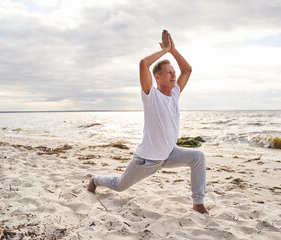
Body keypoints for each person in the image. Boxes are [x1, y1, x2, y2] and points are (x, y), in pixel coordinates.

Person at [87, 30, 209, 214]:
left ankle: (198, 204)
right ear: (157, 77)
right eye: (169, 73)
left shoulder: (175, 94)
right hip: (146, 160)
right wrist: (165, 50)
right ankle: (95, 180)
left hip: (169, 154)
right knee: (119, 185)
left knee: (198, 157)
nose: (174, 75)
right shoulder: (150, 95)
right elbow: (144, 64)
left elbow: (187, 70)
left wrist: (173, 51)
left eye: (173, 72)